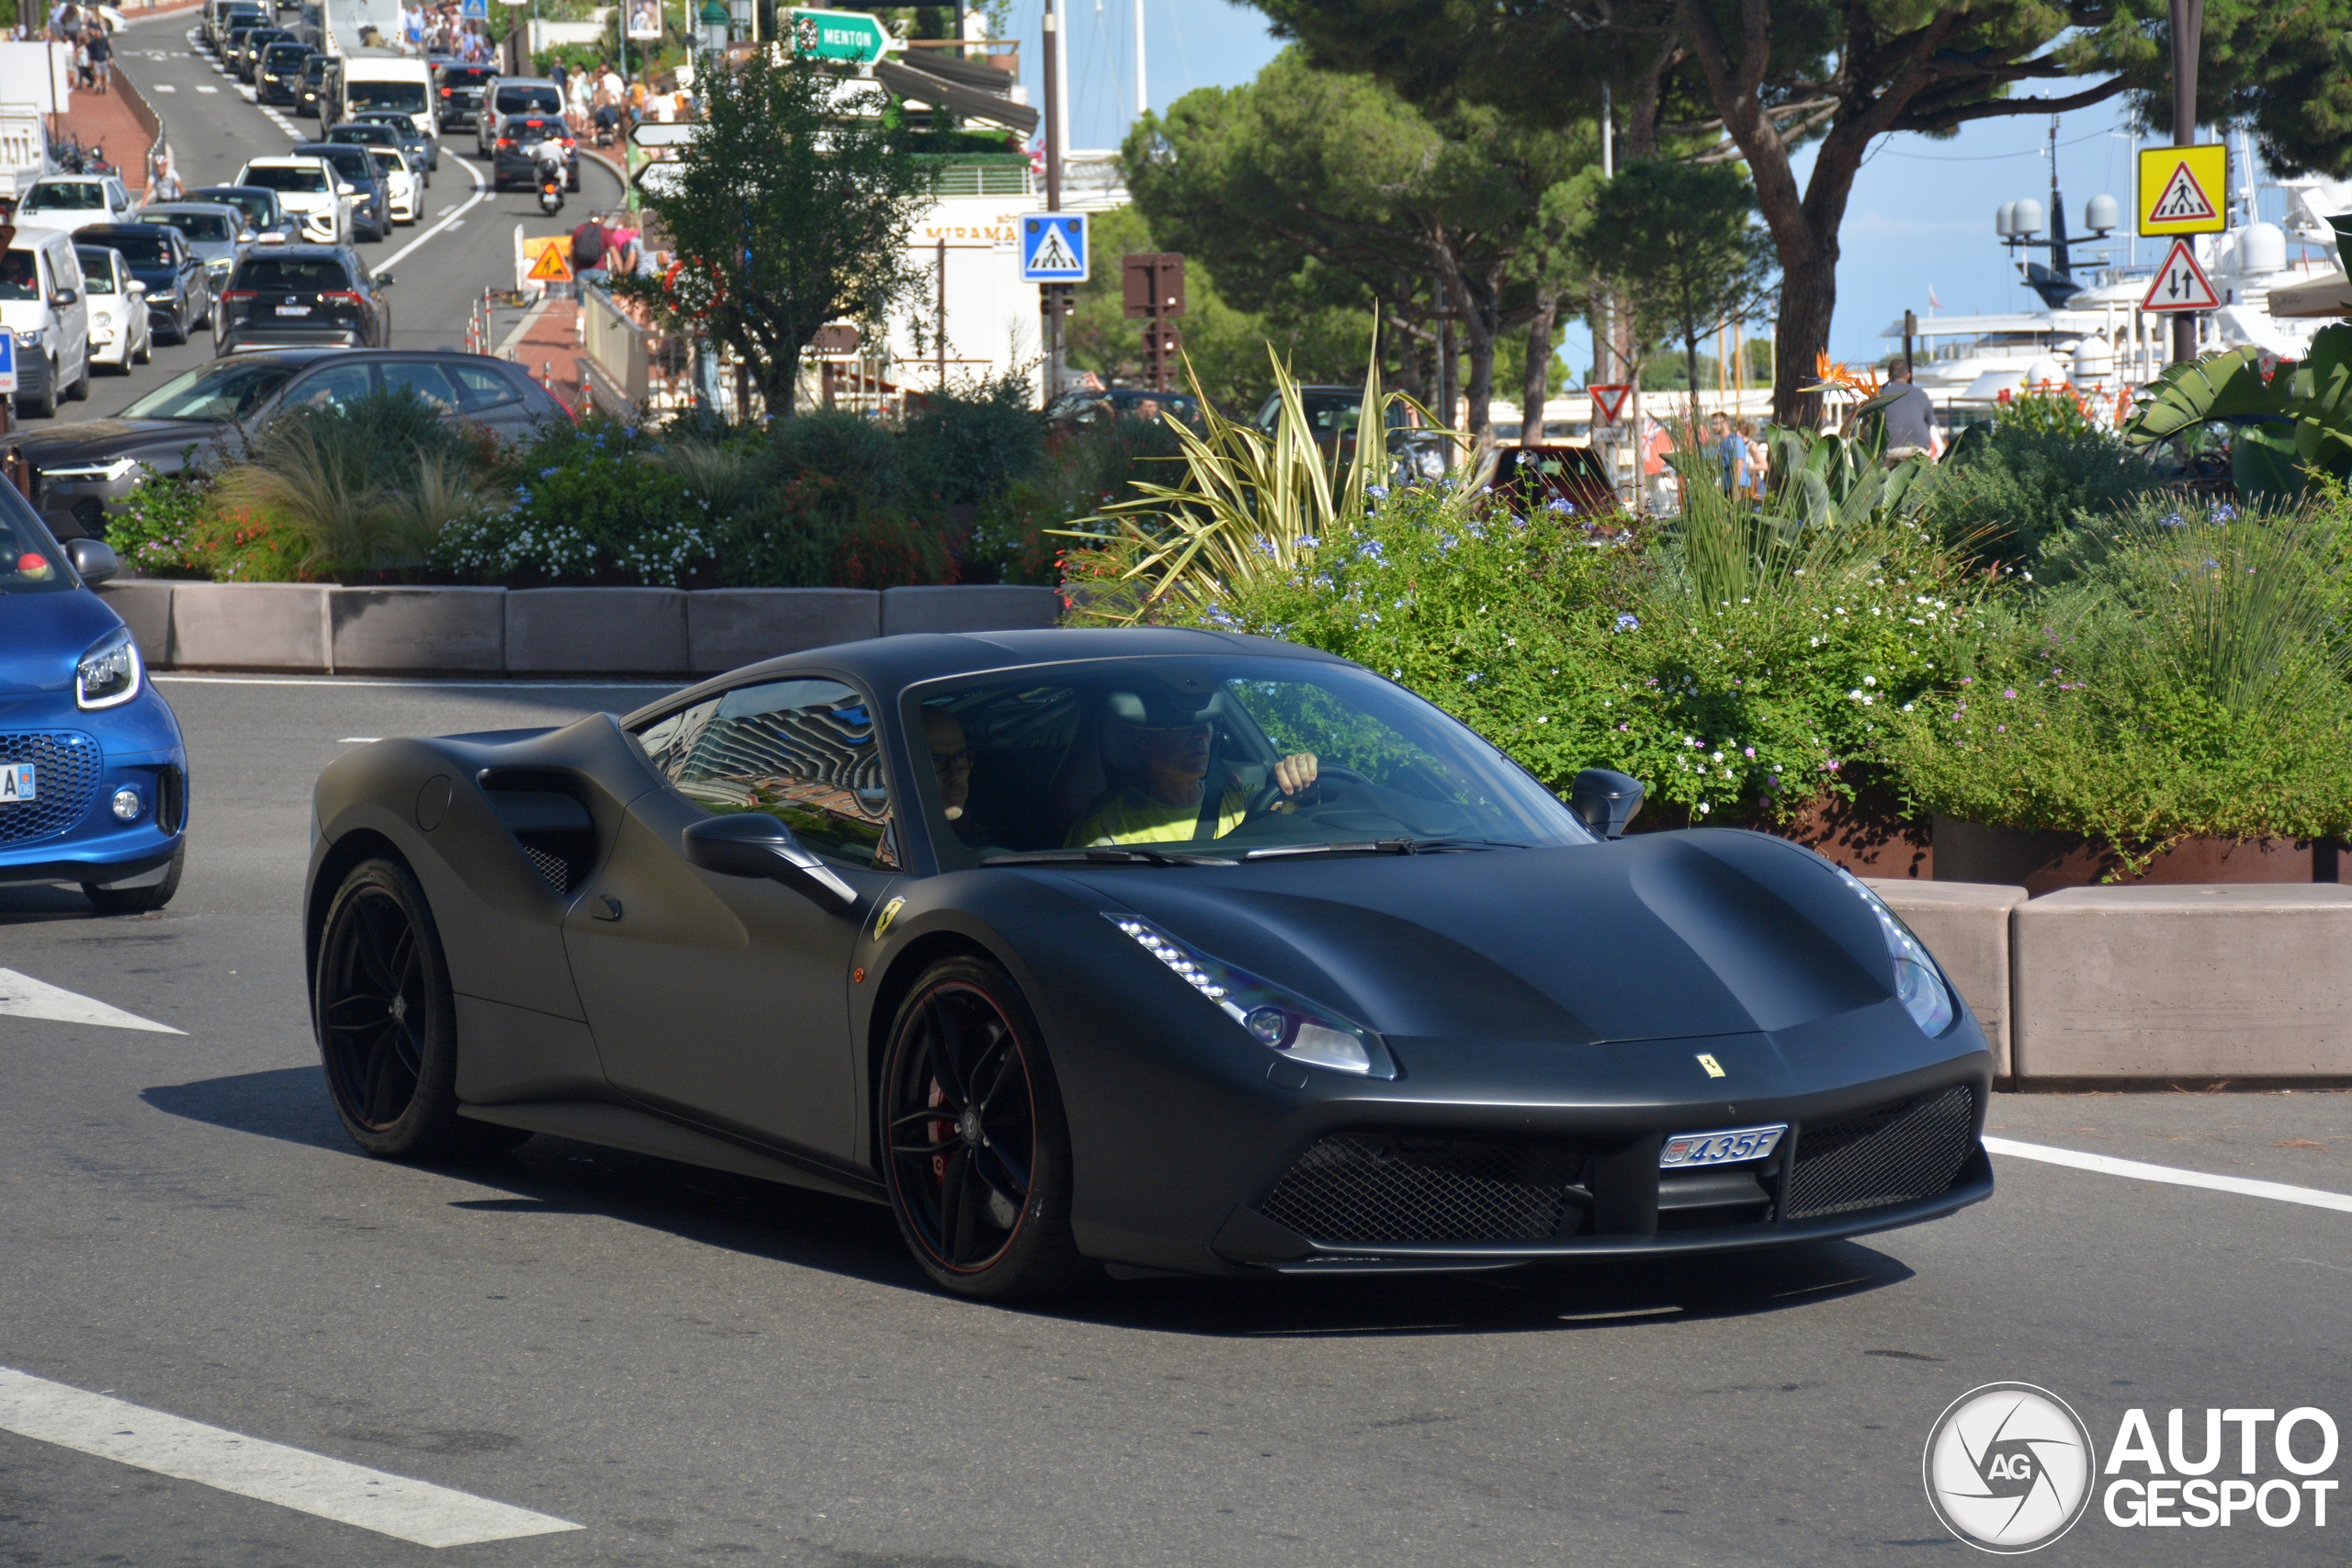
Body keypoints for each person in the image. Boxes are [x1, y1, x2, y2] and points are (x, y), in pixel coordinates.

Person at [1067, 689, 1318, 848]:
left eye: (1208, 724)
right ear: (1144, 739)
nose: (1201, 735)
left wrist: (1303, 782)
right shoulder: (1106, 828)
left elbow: (1302, 829)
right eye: (1185, 726)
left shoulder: (1243, 800)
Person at [1878, 361, 1939, 459]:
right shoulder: (1921, 395)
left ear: (1889, 376)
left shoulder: (1881, 395)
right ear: (1908, 375)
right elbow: (1930, 425)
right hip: (1919, 449)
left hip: (1891, 450)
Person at [1709, 412, 1747, 496]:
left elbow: (1738, 463)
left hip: (1738, 485)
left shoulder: (1734, 440)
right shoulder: (1722, 443)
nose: (1713, 427)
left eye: (1716, 423)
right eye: (1712, 424)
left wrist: (1735, 487)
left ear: (1726, 423)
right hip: (1726, 485)